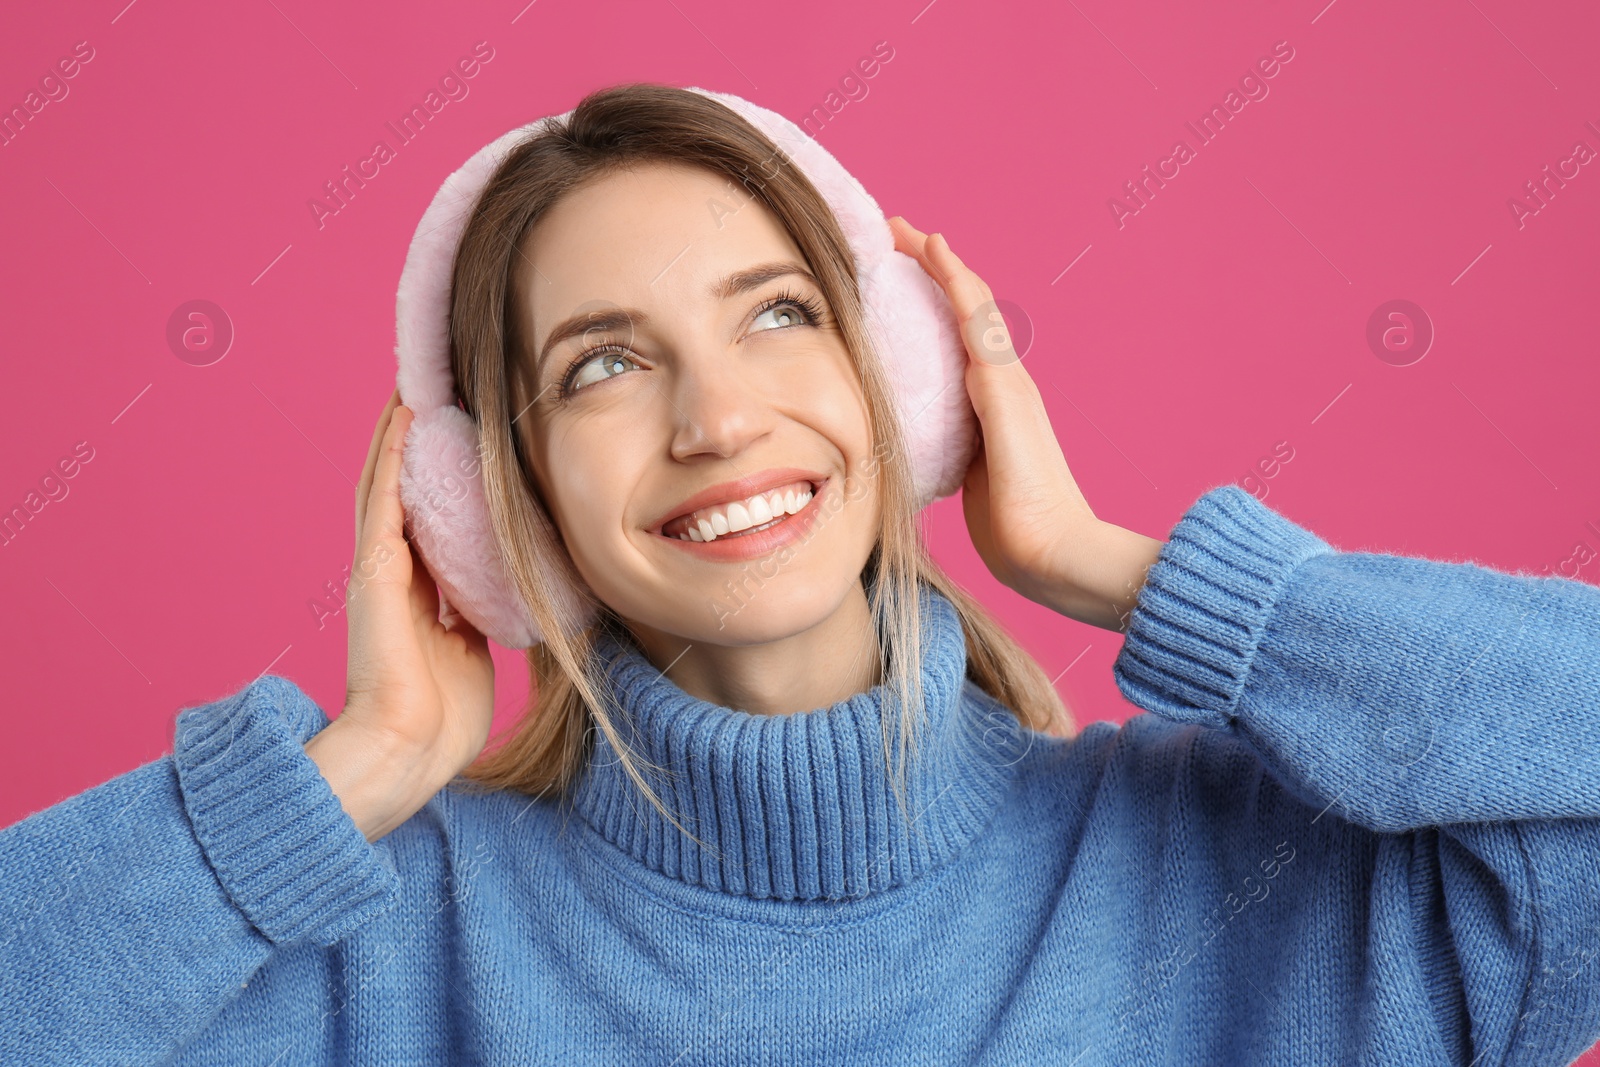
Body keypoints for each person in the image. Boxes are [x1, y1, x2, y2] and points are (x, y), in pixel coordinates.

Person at [3, 82, 1599, 1066]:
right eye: (602, 367)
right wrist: (346, 779)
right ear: (504, 507)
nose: (715, 419)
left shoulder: (1256, 891)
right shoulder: (389, 940)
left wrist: (1125, 573)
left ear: (904, 384)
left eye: (777, 314)